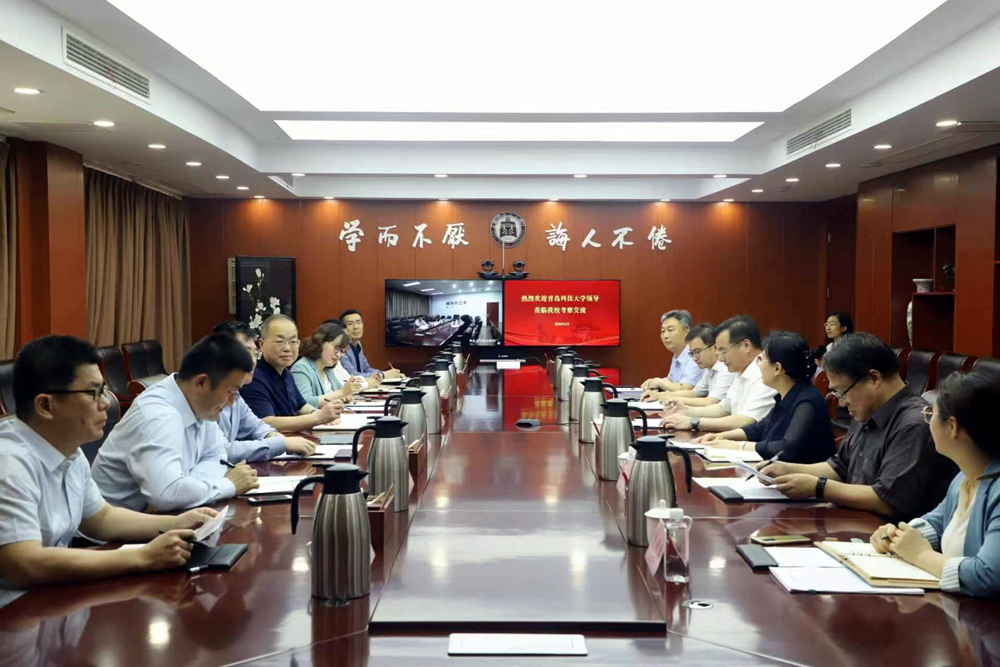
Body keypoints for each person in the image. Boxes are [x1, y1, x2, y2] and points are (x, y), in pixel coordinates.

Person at [0, 336, 217, 608]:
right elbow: (23, 563)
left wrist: (177, 524)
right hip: (13, 614)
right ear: (45, 406)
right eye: (93, 393)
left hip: (51, 600)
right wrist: (143, 557)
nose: (105, 402)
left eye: (104, 390)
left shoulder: (68, 450)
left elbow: (100, 518)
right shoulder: (9, 463)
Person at [761, 332, 957, 520]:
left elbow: (886, 500)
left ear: (874, 379)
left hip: (888, 533)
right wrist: (786, 469)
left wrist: (818, 487)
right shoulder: (867, 408)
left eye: (841, 392)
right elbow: (839, 467)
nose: (841, 402)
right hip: (853, 521)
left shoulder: (914, 424)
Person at [92, 334, 262, 511]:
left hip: (159, 516)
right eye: (230, 392)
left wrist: (187, 487)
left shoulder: (201, 405)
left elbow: (216, 456)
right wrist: (228, 485)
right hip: (114, 526)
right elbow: (166, 493)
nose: (232, 402)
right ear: (202, 382)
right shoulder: (159, 415)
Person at [869, 369, 1000, 599]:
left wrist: (921, 556)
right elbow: (936, 524)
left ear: (952, 426)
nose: (927, 422)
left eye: (930, 414)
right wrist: (896, 537)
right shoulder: (964, 477)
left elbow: (989, 576)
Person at [693, 331, 836, 464]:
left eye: (761, 359)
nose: (759, 366)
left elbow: (786, 448)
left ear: (777, 368)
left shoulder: (807, 402)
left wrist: (738, 446)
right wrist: (723, 437)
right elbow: (759, 428)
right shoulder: (785, 395)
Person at [212, 321, 317, 461]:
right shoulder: (207, 394)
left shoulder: (235, 394)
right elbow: (221, 450)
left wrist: (276, 438)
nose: (252, 361)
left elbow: (257, 427)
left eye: (254, 353)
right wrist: (281, 444)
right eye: (245, 353)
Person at [661, 315, 777, 433]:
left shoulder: (764, 373)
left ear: (746, 345)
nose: (720, 358)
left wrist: (693, 421)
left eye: (723, 351)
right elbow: (723, 409)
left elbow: (747, 420)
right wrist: (686, 411)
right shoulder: (741, 371)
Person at [240, 315, 343, 431]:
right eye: (280, 342)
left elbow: (301, 406)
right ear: (262, 344)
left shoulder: (286, 372)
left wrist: (319, 413)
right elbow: (266, 422)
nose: (288, 348)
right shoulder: (253, 378)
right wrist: (317, 417)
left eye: (293, 342)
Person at [642, 323, 735, 407]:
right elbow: (694, 393)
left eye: (697, 352)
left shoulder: (726, 369)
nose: (694, 358)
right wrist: (659, 395)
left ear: (714, 348)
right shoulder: (709, 369)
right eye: (692, 353)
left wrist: (674, 399)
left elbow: (711, 402)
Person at [291, 322, 364, 408]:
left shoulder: (327, 369)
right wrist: (341, 393)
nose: (338, 355)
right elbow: (304, 403)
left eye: (342, 351)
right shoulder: (301, 368)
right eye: (336, 348)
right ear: (320, 342)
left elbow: (340, 391)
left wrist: (346, 396)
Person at [640, 310, 704, 398]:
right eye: (663, 331)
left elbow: (687, 388)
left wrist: (660, 382)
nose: (665, 336)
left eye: (670, 330)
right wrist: (653, 382)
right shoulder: (678, 354)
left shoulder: (694, 354)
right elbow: (671, 380)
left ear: (687, 331)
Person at [339, 309, 403, 386]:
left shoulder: (358, 344)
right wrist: (383, 375)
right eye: (350, 324)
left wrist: (391, 374)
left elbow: (366, 369)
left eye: (358, 322)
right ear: (342, 329)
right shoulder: (341, 348)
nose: (355, 327)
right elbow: (352, 376)